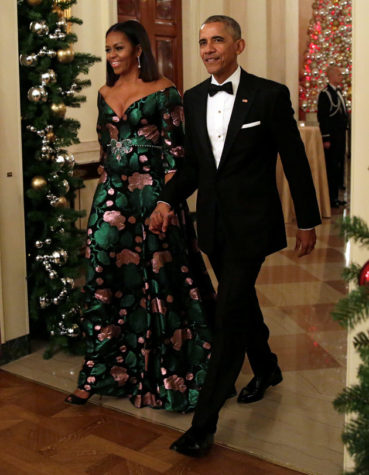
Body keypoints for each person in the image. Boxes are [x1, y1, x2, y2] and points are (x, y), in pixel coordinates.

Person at [150, 15, 321, 457]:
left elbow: (294, 158)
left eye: (217, 40)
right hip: (213, 225)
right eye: (203, 42)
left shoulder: (268, 94)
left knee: (226, 315)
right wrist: (169, 199)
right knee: (239, 300)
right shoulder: (191, 98)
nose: (208, 49)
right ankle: (266, 367)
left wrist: (307, 219)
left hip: (252, 225)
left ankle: (202, 425)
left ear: (238, 46)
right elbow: (193, 166)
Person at [65, 21, 215, 412]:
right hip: (111, 196)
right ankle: (97, 373)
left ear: (138, 51)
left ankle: (167, 375)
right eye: (108, 49)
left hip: (153, 196)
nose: (112, 56)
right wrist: (104, 180)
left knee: (158, 279)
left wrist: (165, 203)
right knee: (101, 276)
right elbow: (105, 145)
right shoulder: (103, 93)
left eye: (118, 49)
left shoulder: (164, 92)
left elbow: (176, 155)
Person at [317, 65, 349, 208]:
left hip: (341, 136)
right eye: (339, 75)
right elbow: (323, 117)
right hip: (332, 137)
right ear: (331, 76)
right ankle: (331, 198)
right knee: (331, 167)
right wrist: (326, 138)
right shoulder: (325, 94)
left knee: (339, 166)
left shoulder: (339, 92)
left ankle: (336, 196)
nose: (341, 77)